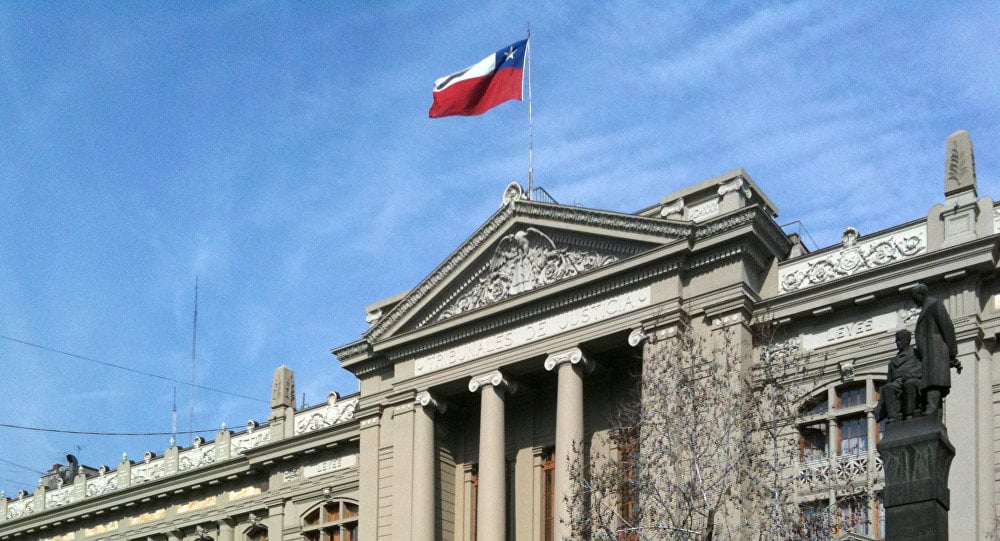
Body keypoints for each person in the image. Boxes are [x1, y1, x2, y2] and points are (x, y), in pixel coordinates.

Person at [911, 283, 962, 417]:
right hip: (929, 352)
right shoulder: (927, 307)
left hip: (936, 350)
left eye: (914, 297)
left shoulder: (934, 304)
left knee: (934, 380)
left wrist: (952, 353)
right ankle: (934, 412)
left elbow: (947, 327)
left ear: (920, 294)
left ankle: (931, 408)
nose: (914, 301)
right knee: (930, 381)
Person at [880, 329, 921, 422]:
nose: (897, 343)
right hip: (897, 382)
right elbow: (889, 380)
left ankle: (909, 414)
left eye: (899, 340)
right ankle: (893, 417)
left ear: (907, 341)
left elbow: (922, 367)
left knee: (909, 384)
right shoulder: (893, 361)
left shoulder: (916, 353)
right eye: (896, 341)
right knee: (888, 387)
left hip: (914, 379)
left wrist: (911, 374)